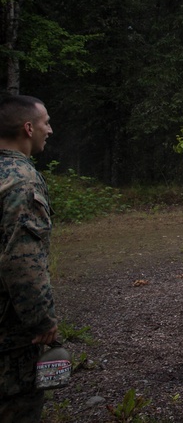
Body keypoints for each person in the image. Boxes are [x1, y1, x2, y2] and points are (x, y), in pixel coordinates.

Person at [0, 96, 57, 422]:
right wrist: (42, 320)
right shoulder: (22, 180)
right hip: (10, 332)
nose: (49, 129)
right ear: (28, 127)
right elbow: (21, 260)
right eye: (45, 122)